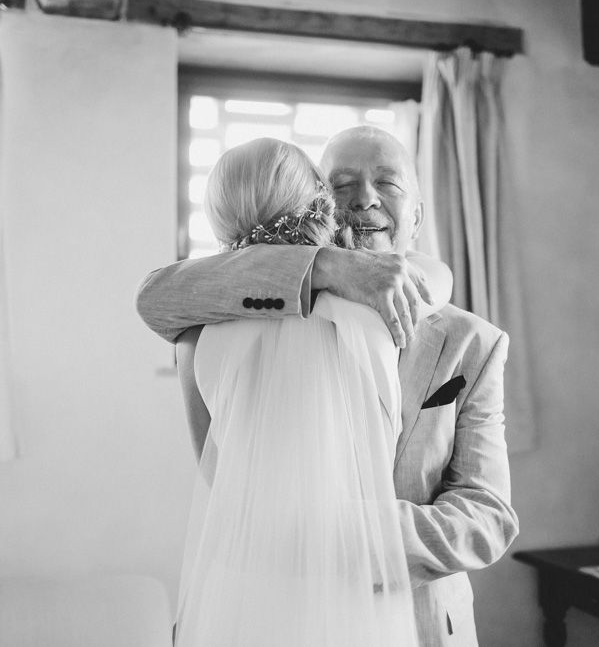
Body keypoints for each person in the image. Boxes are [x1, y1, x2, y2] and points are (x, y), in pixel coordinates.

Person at [136, 126, 519, 646]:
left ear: (419, 215)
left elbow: (488, 516)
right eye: (342, 185)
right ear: (317, 205)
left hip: (424, 625)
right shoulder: (251, 309)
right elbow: (156, 296)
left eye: (388, 181)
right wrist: (325, 266)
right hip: (281, 612)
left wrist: (344, 535)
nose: (365, 198)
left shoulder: (474, 342)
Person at [172, 138, 432, 646]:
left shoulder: (192, 334)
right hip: (354, 589)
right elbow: (377, 444)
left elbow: (214, 472)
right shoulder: (374, 320)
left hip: (244, 582)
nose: (364, 200)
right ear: (318, 202)